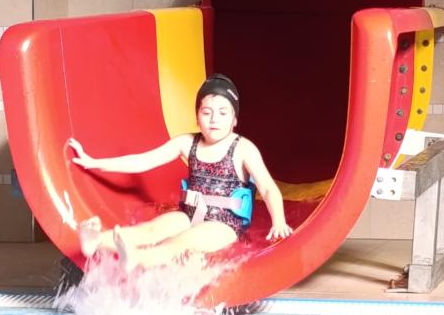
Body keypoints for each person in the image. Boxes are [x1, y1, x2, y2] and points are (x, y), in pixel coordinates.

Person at [68, 73, 292, 272]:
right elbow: (144, 161)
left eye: (223, 113)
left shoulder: (243, 148)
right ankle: (95, 241)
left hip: (224, 224)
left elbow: (267, 188)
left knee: (179, 243)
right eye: (206, 112)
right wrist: (93, 162)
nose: (214, 119)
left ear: (234, 120)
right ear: (197, 117)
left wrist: (279, 221)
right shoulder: (187, 142)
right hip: (188, 214)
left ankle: (136, 258)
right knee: (150, 230)